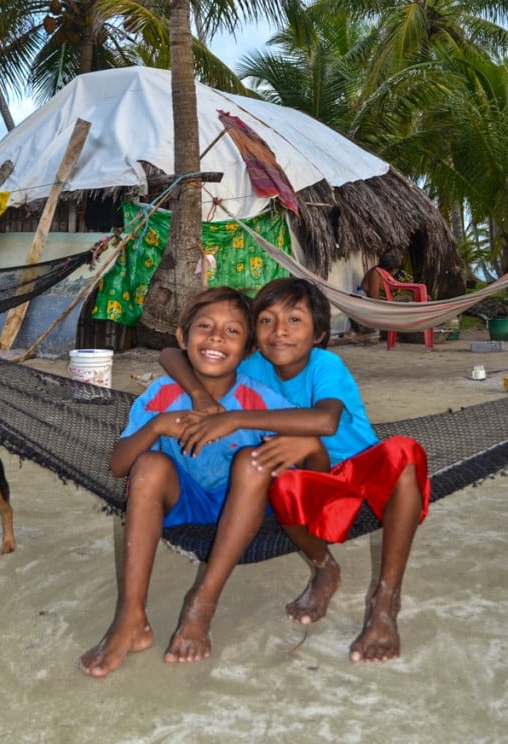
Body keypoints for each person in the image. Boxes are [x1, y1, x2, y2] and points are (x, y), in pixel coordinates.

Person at [159, 277, 430, 663]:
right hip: (306, 480)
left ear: (319, 332)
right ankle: (324, 569)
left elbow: (326, 421)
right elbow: (171, 354)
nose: (279, 331)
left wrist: (236, 419)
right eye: (266, 321)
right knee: (274, 478)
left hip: (359, 475)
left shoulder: (326, 364)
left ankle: (385, 602)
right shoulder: (253, 363)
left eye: (295, 320)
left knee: (403, 453)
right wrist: (201, 395)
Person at [79, 285, 328, 677]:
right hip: (186, 502)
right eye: (205, 327)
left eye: (232, 331)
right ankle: (131, 619)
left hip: (250, 508)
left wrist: (306, 445)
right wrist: (159, 426)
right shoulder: (162, 394)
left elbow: (319, 471)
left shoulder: (259, 399)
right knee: (148, 465)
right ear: (183, 337)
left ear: (247, 350)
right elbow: (118, 466)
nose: (215, 337)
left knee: (252, 459)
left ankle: (203, 601)